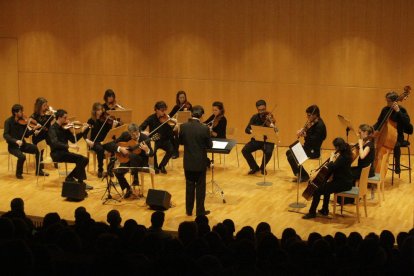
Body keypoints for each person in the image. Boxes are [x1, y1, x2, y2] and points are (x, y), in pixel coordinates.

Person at [302, 137, 353, 219]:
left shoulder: (343, 157)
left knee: (317, 191)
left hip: (343, 183)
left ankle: (312, 213)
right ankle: (325, 210)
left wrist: (332, 159)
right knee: (326, 187)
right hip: (344, 181)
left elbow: (331, 167)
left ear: (337, 147)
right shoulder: (345, 153)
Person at [179, 105, 212, 216]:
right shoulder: (204, 128)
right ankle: (200, 211)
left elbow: (181, 142)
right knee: (200, 188)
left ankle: (188, 211)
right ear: (201, 116)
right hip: (200, 163)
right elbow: (209, 145)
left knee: (189, 187)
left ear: (191, 114)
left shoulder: (183, 127)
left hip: (188, 162)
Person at [106, 123, 154, 198]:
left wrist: (147, 150)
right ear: (129, 133)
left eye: (136, 134)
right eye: (132, 135)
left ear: (138, 131)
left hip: (140, 162)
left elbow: (151, 153)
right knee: (117, 172)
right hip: (127, 160)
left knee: (133, 155)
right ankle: (128, 189)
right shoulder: (125, 135)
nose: (134, 137)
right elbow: (111, 144)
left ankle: (135, 178)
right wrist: (120, 149)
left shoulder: (144, 138)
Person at [48, 109, 92, 189]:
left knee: (84, 159)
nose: (67, 120)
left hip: (64, 153)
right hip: (56, 154)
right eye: (65, 118)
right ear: (59, 118)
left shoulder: (65, 128)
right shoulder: (52, 129)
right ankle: (79, 182)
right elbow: (55, 143)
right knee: (82, 159)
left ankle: (70, 177)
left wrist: (82, 131)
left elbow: (72, 139)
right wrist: (70, 146)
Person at [373, 91, 412, 174]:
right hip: (384, 136)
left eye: (388, 101)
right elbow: (379, 122)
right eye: (386, 101)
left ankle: (397, 164)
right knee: (376, 149)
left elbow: (407, 123)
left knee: (396, 144)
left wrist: (398, 111)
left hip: (398, 136)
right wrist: (373, 130)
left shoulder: (401, 110)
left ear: (395, 101)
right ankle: (373, 172)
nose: (387, 103)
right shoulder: (385, 109)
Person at [286, 105, 327, 182]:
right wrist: (302, 130)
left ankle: (303, 176)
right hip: (307, 147)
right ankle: (301, 174)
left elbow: (316, 141)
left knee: (291, 157)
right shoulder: (312, 122)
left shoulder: (320, 126)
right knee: (289, 152)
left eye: (309, 115)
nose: (307, 117)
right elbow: (309, 132)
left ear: (315, 115)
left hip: (314, 151)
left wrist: (306, 135)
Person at [3, 104, 43, 179]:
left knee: (38, 149)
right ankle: (18, 174)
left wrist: (34, 130)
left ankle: (39, 170)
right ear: (15, 113)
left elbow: (27, 134)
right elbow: (5, 135)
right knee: (22, 157)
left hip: (23, 145)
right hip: (13, 146)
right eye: (21, 112)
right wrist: (15, 141)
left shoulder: (23, 121)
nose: (23, 113)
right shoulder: (8, 122)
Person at [242, 99, 277, 175]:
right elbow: (247, 129)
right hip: (257, 140)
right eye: (260, 110)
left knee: (268, 152)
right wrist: (253, 131)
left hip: (268, 141)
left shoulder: (269, 117)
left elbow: (275, 130)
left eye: (263, 109)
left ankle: (262, 167)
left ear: (266, 107)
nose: (262, 112)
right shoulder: (254, 117)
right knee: (245, 150)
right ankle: (254, 167)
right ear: (257, 109)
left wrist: (272, 125)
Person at [84, 102, 118, 178]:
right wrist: (87, 141)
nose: (100, 112)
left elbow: (110, 132)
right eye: (98, 110)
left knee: (114, 147)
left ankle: (110, 169)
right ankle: (100, 169)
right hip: (95, 142)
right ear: (94, 111)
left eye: (101, 110)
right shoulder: (91, 121)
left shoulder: (105, 120)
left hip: (104, 141)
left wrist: (113, 126)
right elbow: (84, 133)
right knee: (100, 149)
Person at [140, 101, 174, 174]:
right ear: (157, 110)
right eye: (162, 110)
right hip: (154, 140)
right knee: (153, 151)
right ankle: (155, 166)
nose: (164, 112)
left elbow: (171, 129)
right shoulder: (151, 118)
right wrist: (143, 132)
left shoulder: (166, 118)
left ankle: (162, 166)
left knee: (171, 149)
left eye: (165, 110)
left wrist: (171, 124)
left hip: (165, 140)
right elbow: (141, 127)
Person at [169, 90, 192, 158]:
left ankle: (176, 151)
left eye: (183, 97)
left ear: (185, 97)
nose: (182, 99)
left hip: (187, 126)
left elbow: (191, 115)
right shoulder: (176, 107)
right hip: (179, 125)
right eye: (180, 98)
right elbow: (170, 115)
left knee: (176, 132)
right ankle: (174, 149)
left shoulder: (188, 106)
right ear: (178, 98)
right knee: (170, 132)